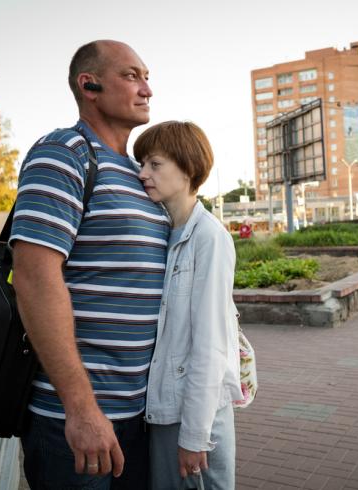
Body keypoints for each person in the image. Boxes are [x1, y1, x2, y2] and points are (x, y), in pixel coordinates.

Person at [9, 40, 169, 489]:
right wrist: (82, 410)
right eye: (132, 75)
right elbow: (34, 278)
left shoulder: (141, 176)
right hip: (76, 423)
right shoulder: (65, 154)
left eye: (147, 77)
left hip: (137, 419)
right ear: (90, 85)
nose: (147, 90)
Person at [134, 121, 243, 490]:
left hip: (196, 420)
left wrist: (195, 436)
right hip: (165, 414)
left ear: (188, 169)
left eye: (154, 164)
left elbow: (211, 344)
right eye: (142, 164)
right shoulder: (164, 233)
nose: (143, 173)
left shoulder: (209, 238)